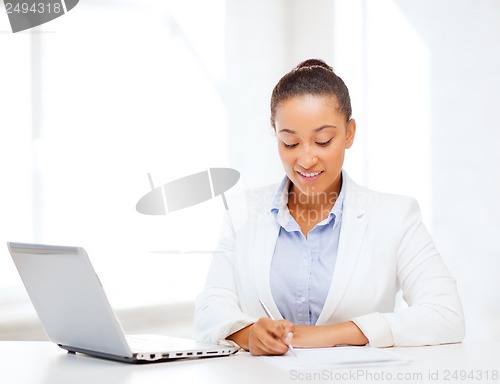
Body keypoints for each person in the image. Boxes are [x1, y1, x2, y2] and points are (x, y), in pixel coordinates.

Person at [194, 59, 465, 356]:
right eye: (290, 143)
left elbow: (446, 315)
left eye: (323, 141)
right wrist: (247, 334)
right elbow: (209, 309)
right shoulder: (242, 211)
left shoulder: (395, 216)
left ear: (349, 133)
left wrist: (327, 335)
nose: (306, 159)